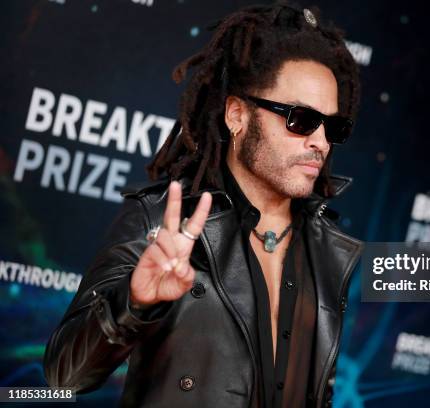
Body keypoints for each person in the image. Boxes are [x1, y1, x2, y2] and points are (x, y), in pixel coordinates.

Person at [43, 3, 363, 407]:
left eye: (333, 126)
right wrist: (134, 303)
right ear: (237, 115)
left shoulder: (328, 249)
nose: (320, 142)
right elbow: (63, 377)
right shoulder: (161, 221)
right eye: (300, 119)